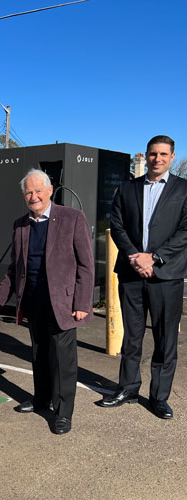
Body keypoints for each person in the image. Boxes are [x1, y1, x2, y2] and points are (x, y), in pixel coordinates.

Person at [0, 168, 94, 435]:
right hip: (33, 300)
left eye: (39, 190)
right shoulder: (21, 225)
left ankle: (63, 412)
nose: (34, 196)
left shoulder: (73, 218)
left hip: (63, 303)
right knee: (39, 354)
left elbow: (86, 265)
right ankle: (41, 400)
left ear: (50, 191)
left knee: (63, 359)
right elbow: (14, 269)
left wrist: (83, 302)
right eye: (29, 191)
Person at [97, 135, 187, 419]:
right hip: (132, 273)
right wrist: (137, 257)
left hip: (166, 275)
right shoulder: (127, 188)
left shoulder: (184, 189)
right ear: (146, 156)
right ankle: (128, 387)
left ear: (172, 157)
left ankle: (159, 397)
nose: (157, 159)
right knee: (132, 337)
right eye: (152, 154)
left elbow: (185, 231)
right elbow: (117, 224)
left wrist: (155, 256)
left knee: (164, 338)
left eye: (163, 154)